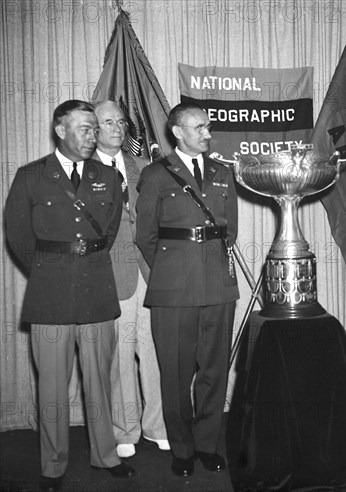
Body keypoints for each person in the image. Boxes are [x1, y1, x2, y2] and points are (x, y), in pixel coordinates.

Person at [4, 100, 135, 492]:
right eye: (83, 128)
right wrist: (48, 272)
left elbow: (109, 231)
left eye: (95, 129)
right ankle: (53, 466)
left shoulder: (108, 176)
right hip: (49, 294)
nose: (92, 135)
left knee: (99, 379)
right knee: (53, 386)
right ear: (61, 130)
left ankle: (105, 455)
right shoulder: (31, 176)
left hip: (97, 289)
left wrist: (85, 262)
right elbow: (18, 236)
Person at [136, 101, 239, 477]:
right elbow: (145, 236)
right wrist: (172, 269)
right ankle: (181, 448)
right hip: (174, 289)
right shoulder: (156, 174)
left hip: (217, 286)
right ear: (178, 132)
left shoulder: (221, 172)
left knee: (214, 370)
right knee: (176, 373)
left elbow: (230, 231)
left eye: (208, 127)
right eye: (199, 128)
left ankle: (207, 444)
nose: (208, 134)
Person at [92, 100, 169, 458]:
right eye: (108, 122)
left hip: (148, 272)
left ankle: (158, 426)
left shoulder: (144, 168)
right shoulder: (82, 171)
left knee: (154, 351)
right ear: (93, 128)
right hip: (111, 275)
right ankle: (126, 430)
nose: (117, 128)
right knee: (120, 357)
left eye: (121, 122)